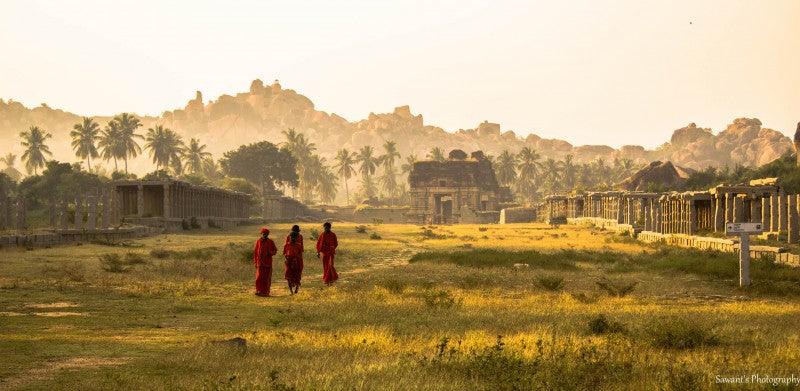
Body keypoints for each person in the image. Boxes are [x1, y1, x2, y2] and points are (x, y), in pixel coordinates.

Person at [253, 227, 277, 296]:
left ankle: (266, 292)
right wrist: (255, 262)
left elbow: (275, 251)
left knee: (266, 278)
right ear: (261, 234)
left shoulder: (270, 242)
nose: (264, 235)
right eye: (263, 234)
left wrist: (270, 252)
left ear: (268, 234)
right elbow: (255, 252)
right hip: (259, 263)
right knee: (259, 278)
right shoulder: (258, 241)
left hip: (268, 263)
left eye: (266, 234)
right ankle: (258, 291)